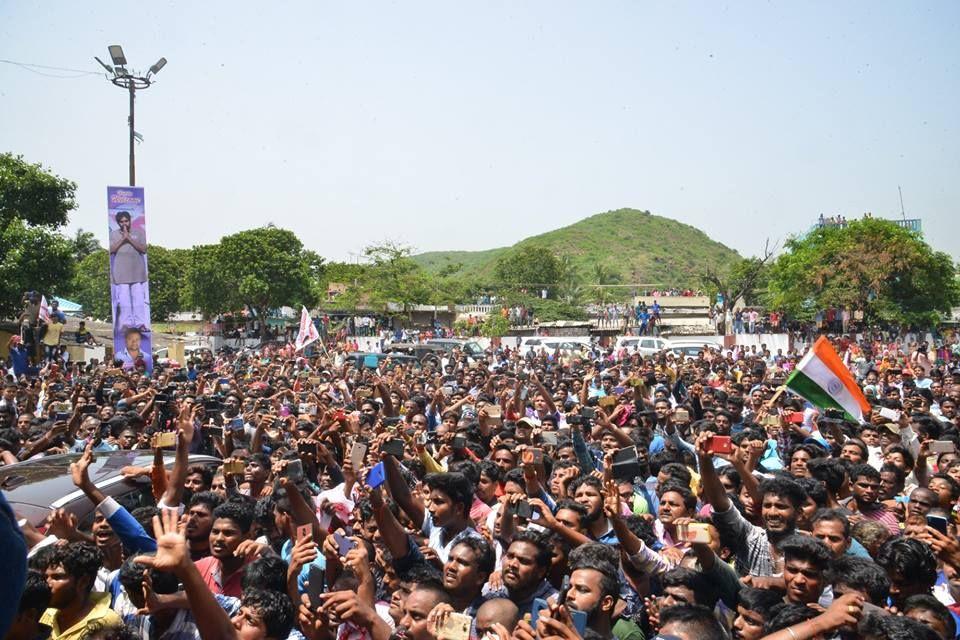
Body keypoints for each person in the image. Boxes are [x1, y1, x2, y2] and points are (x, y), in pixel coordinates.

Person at [40, 542, 122, 639]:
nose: (47, 583)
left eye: (57, 577)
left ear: (83, 581)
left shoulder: (106, 622)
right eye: (45, 577)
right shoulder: (45, 616)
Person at [109, 210, 148, 333]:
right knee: (124, 299)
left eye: (126, 221)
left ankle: (140, 323)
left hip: (137, 271)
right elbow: (112, 250)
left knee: (138, 299)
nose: (124, 224)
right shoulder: (114, 234)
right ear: (118, 223)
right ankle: (126, 323)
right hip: (121, 272)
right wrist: (123, 239)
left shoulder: (139, 232)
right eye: (121, 222)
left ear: (130, 220)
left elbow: (143, 249)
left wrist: (129, 238)